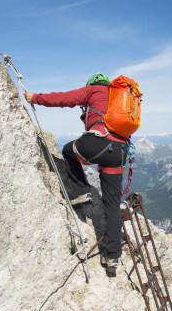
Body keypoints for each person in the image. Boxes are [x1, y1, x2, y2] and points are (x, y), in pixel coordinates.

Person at [24, 73, 128, 277]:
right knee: (112, 205)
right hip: (120, 152)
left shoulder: (94, 90)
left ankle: (81, 192)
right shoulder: (119, 98)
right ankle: (112, 257)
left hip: (97, 142)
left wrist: (36, 98)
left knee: (68, 151)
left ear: (92, 84)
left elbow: (65, 98)